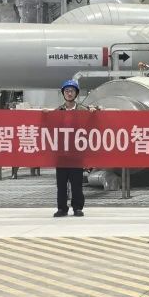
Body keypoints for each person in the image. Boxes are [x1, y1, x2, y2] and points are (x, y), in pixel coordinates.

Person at [53, 80, 91, 217]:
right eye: (67, 91)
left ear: (76, 93)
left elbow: (91, 127)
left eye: (72, 91)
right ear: (63, 93)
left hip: (77, 153)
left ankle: (77, 207)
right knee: (61, 184)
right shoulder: (57, 111)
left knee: (76, 183)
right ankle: (62, 208)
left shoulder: (83, 111)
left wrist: (95, 111)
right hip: (61, 154)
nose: (69, 93)